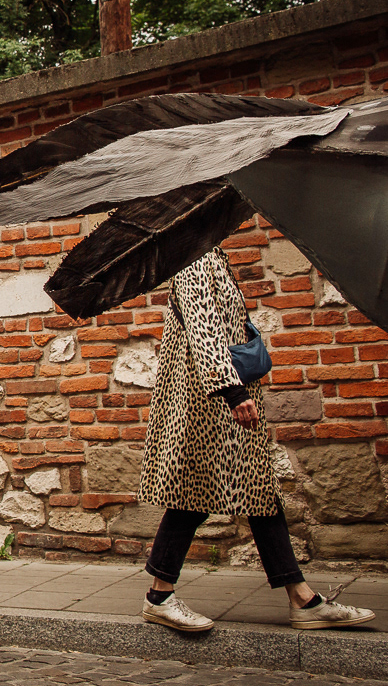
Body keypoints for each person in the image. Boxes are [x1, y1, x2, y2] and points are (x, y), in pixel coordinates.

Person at [139, 248, 375, 633]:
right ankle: (159, 597)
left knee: (258, 493)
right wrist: (233, 392)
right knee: (193, 496)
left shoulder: (213, 255)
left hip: (220, 398)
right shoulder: (193, 258)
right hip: (206, 403)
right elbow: (204, 331)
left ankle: (302, 598)